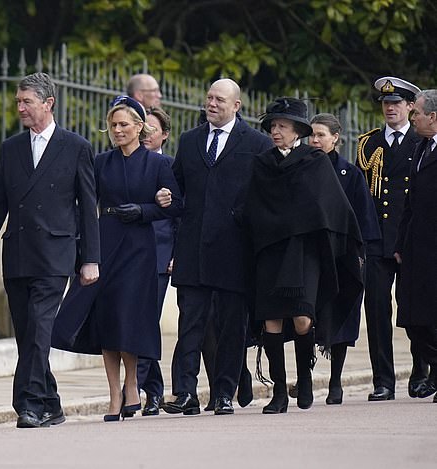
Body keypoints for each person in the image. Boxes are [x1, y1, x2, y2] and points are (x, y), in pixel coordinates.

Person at [0, 72, 100, 429]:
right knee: (28, 334)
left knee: (41, 330)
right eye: (18, 102)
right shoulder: (10, 148)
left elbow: (89, 207)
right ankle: (52, 403)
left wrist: (90, 259)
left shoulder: (76, 147)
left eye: (27, 101)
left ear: (48, 104)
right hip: (18, 254)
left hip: (56, 255)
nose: (20, 108)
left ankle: (26, 404)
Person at [52, 96, 182, 421]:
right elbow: (85, 201)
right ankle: (114, 396)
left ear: (140, 127)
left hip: (139, 246)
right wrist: (84, 252)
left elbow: (177, 206)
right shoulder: (101, 162)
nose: (118, 130)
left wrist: (145, 210)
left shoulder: (158, 164)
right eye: (113, 125)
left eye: (124, 124)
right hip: (105, 241)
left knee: (129, 318)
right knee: (107, 319)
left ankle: (133, 384)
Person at [157, 78, 273, 416]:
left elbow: (266, 197)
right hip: (193, 249)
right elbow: (176, 184)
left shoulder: (256, 144)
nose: (212, 104)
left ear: (236, 106)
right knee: (190, 324)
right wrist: (167, 196)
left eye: (220, 99)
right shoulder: (191, 140)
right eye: (209, 98)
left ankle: (224, 392)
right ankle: (185, 392)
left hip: (234, 251)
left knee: (230, 327)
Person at [243, 97, 363, 413]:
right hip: (270, 251)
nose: (275, 131)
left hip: (304, 253)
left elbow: (331, 207)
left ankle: (305, 377)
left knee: (301, 318)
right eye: (272, 126)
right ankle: (279, 391)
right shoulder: (263, 163)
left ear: (297, 130)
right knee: (270, 319)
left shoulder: (314, 161)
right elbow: (253, 207)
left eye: (282, 126)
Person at [357, 76, 432, 401]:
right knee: (376, 312)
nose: (390, 109)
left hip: (411, 241)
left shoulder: (421, 142)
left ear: (410, 106)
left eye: (397, 104)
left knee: (415, 309)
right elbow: (363, 196)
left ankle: (420, 374)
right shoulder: (368, 144)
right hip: (376, 239)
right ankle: (383, 380)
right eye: (386, 104)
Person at [307, 113, 381, 404]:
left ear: (335, 138)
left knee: (341, 315)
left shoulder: (350, 173)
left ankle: (335, 379)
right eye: (311, 135)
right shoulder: (300, 168)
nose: (315, 140)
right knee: (306, 316)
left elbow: (363, 218)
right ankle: (305, 376)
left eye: (321, 135)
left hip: (342, 257)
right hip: (309, 254)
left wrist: (361, 256)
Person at [394, 89, 437, 403]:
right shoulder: (420, 147)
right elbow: (409, 203)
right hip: (416, 246)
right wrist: (400, 242)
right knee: (411, 317)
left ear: (433, 117)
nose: (413, 118)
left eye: (417, 113)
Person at [136, 106, 177, 416]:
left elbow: (180, 215)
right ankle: (153, 390)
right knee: (135, 320)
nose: (145, 134)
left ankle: (134, 388)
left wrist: (176, 253)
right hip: (129, 252)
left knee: (146, 319)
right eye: (142, 128)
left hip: (161, 254)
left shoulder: (171, 167)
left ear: (164, 134)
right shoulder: (126, 162)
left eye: (152, 130)